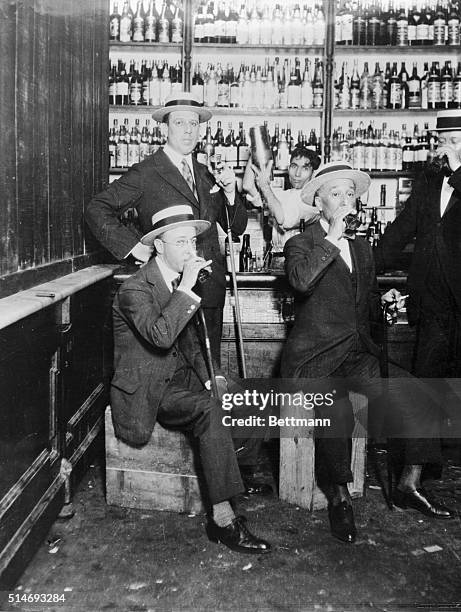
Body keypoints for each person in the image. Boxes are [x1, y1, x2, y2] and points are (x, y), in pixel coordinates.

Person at [281, 162, 453, 544]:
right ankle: (339, 498)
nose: (345, 201)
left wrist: (384, 302)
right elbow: (302, 282)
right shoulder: (301, 243)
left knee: (417, 391)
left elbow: (365, 302)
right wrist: (333, 237)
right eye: (336, 194)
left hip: (357, 353)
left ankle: (409, 483)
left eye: (350, 195)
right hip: (316, 359)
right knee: (336, 402)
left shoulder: (361, 247)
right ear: (319, 202)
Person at [110, 204, 271, 554]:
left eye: (192, 243)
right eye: (180, 243)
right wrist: (187, 288)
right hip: (151, 387)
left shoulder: (183, 279)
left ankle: (234, 469)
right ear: (158, 247)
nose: (190, 250)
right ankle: (224, 520)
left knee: (252, 395)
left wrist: (212, 376)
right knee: (209, 410)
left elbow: (193, 343)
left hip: (181, 375)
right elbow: (161, 337)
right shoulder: (134, 290)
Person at [86, 92, 248, 365]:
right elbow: (96, 208)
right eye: (180, 123)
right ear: (164, 127)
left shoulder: (208, 172)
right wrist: (135, 247)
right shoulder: (146, 172)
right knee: (171, 376)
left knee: (209, 374)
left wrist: (231, 193)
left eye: (194, 124)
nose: (188, 131)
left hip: (209, 291)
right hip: (167, 292)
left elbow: (236, 227)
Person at [375, 110, 461, 380]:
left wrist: (459, 169)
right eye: (441, 142)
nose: (445, 149)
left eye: (455, 141)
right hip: (432, 302)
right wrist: (362, 264)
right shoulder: (428, 182)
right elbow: (399, 232)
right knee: (428, 385)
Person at [242, 145, 321, 266]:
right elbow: (248, 186)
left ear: (313, 173)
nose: (297, 174)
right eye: (294, 166)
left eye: (305, 168)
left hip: (300, 262)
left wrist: (265, 187)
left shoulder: (314, 202)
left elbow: (285, 220)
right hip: (275, 261)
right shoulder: (282, 195)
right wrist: (256, 149)